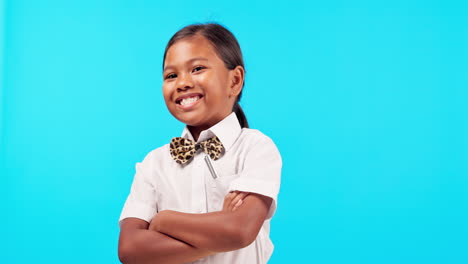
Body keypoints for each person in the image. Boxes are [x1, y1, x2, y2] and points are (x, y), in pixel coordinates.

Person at [117, 23, 282, 264]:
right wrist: (219, 231)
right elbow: (130, 249)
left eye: (197, 69)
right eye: (171, 75)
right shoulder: (154, 164)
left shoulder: (255, 148)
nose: (182, 83)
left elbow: (239, 231)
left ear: (234, 80)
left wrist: (165, 221)